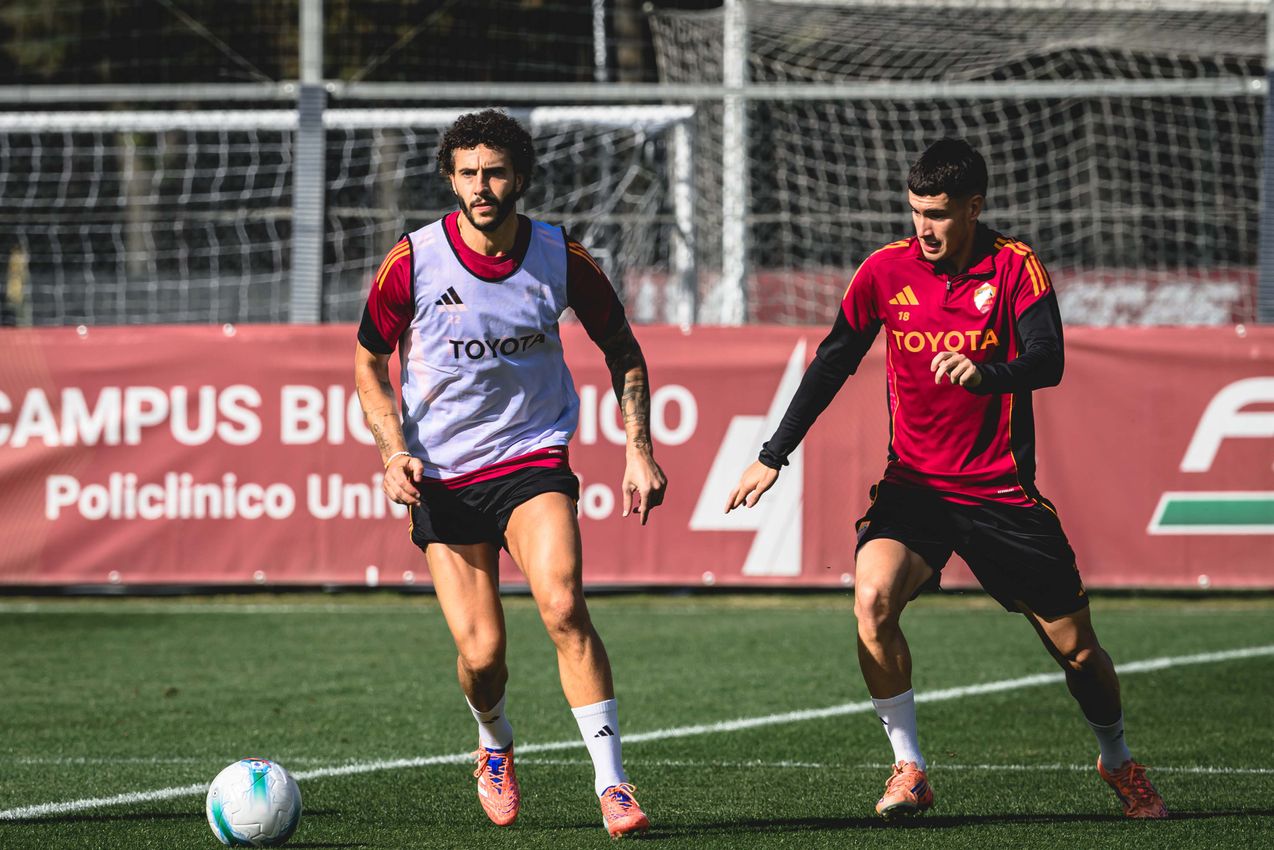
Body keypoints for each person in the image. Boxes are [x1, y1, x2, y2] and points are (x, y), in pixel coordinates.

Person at [725, 138, 1168, 821]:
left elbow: (1048, 361)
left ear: (973, 207)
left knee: (1079, 653)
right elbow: (833, 362)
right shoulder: (883, 272)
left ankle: (1117, 758)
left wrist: (986, 373)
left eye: (937, 214)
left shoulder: (1015, 267)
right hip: (915, 489)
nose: (923, 228)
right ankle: (910, 768)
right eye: (914, 212)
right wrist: (772, 454)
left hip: (1000, 494)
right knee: (871, 601)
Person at [354, 109, 665, 838]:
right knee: (482, 655)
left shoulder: (561, 255)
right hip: (443, 475)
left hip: (531, 459)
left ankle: (612, 784)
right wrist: (391, 450)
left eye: (495, 172)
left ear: (519, 175)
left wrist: (638, 446)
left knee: (562, 606)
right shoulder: (414, 260)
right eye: (468, 173)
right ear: (451, 179)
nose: (482, 187)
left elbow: (623, 348)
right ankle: (494, 742)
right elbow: (368, 357)